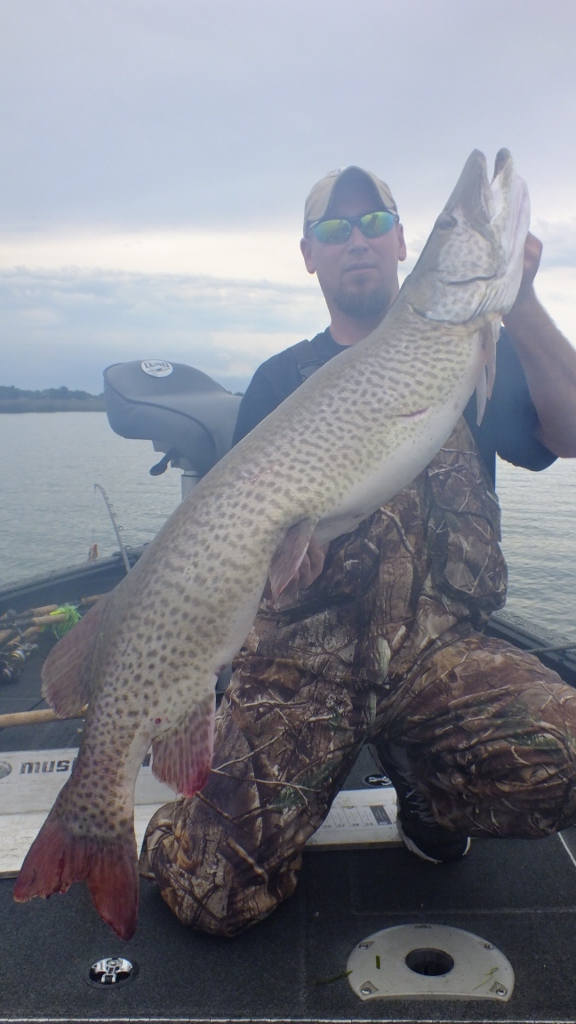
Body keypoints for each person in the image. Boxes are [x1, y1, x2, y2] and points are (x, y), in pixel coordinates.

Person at [140, 165, 576, 937]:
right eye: (336, 230)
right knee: (211, 895)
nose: (358, 241)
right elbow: (256, 552)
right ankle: (212, 818)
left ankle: (431, 792)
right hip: (309, 665)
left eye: (375, 223)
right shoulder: (281, 381)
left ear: (405, 241)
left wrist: (524, 301)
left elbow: (569, 431)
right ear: (310, 255)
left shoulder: (480, 345)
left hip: (438, 656)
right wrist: (282, 567)